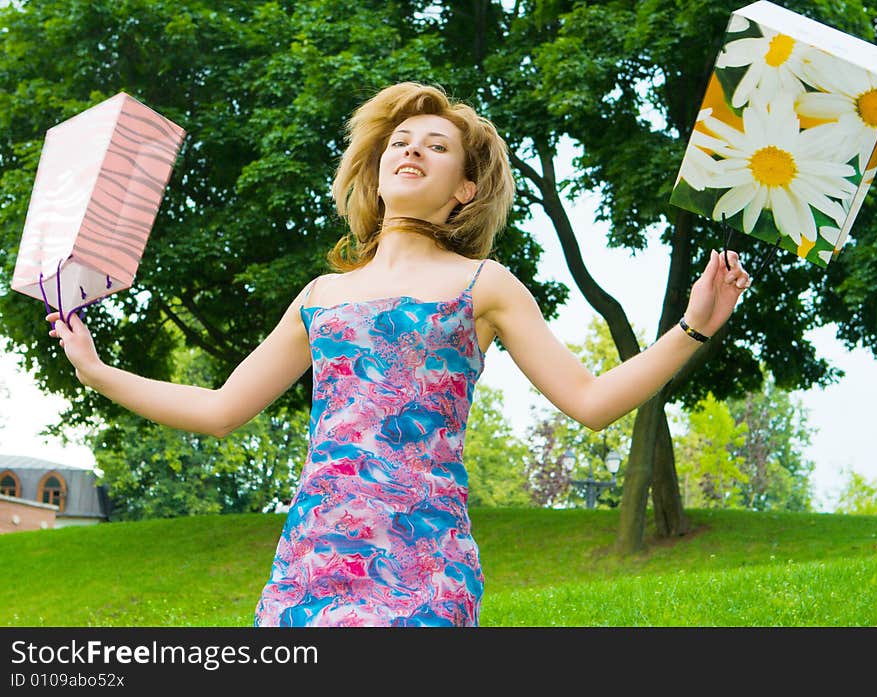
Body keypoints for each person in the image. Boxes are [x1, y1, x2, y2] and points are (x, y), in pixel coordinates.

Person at [46, 81, 751, 627]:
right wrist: (98, 371)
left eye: (436, 146)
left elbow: (592, 402)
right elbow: (221, 408)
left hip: (424, 563)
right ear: (377, 172)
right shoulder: (322, 292)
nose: (412, 149)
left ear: (465, 189)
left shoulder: (485, 284)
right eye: (400, 141)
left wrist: (691, 326)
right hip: (312, 560)